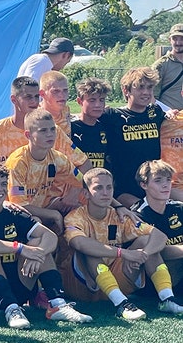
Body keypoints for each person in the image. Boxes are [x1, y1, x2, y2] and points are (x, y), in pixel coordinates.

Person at [0, 163, 92, 329]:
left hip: (19, 285)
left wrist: (38, 253)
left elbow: (50, 236)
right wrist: (21, 248)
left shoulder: (13, 212)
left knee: (39, 243)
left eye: (3, 184)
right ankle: (11, 309)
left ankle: (57, 304)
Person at [62, 168, 183, 319]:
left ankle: (167, 298)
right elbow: (79, 243)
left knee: (146, 241)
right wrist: (124, 253)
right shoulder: (75, 216)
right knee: (92, 250)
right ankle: (122, 305)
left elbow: (159, 236)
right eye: (98, 188)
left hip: (115, 280)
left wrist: (142, 254)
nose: (105, 192)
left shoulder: (120, 216)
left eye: (109, 187)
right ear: (86, 193)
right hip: (81, 286)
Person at [0, 76, 89, 171]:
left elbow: (84, 162)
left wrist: (74, 192)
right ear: (14, 100)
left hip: (49, 198)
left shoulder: (52, 131)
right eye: (28, 97)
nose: (34, 102)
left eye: (36, 96)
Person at [5, 110, 83, 234]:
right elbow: (20, 206)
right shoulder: (18, 163)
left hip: (44, 209)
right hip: (15, 216)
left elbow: (81, 180)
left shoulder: (58, 158)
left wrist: (71, 196)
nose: (50, 134)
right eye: (43, 131)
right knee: (37, 224)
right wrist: (54, 214)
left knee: (80, 214)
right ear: (28, 135)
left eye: (53, 129)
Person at [101, 67, 166, 207]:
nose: (146, 92)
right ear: (126, 90)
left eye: (150, 87)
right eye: (140, 87)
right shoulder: (112, 116)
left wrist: (171, 114)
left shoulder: (156, 113)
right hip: (123, 190)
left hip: (153, 186)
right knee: (143, 214)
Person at [133, 160, 183, 293]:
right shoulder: (137, 215)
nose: (165, 185)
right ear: (144, 184)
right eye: (158, 180)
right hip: (151, 279)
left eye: (168, 180)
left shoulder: (178, 208)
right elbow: (153, 252)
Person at [70, 77, 111, 168]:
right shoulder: (70, 127)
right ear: (80, 101)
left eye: (101, 100)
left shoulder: (106, 125)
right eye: (92, 100)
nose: (98, 105)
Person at [151, 23, 183, 110]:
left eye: (182, 39)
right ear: (170, 40)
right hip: (169, 119)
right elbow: (151, 96)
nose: (178, 43)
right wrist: (167, 112)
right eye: (175, 39)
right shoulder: (160, 65)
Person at [38, 71, 72, 136]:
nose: (62, 95)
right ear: (42, 94)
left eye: (65, 90)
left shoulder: (66, 109)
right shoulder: (37, 117)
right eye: (56, 91)